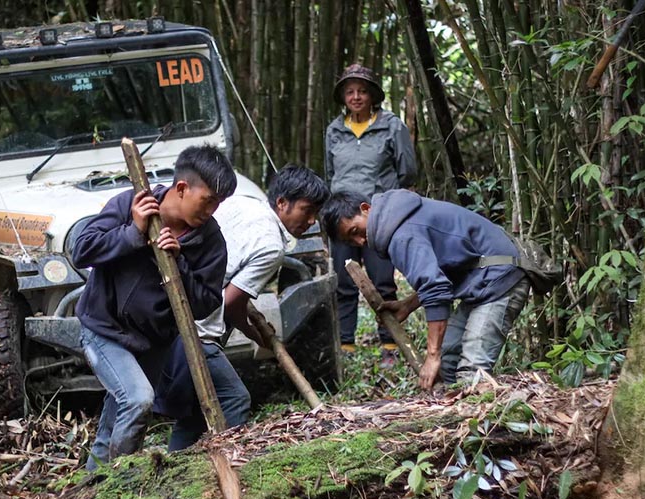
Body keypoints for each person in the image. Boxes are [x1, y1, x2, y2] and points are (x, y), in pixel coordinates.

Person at [71, 145, 235, 470]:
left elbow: (205, 303)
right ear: (183, 188)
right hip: (104, 329)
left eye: (219, 203)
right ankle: (123, 489)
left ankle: (90, 491)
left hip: (152, 343)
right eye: (209, 200)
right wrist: (132, 232)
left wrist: (179, 264)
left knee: (116, 420)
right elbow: (82, 250)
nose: (212, 210)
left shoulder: (210, 240)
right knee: (138, 399)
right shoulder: (130, 204)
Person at [155, 165, 330, 451]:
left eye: (315, 214)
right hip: (198, 329)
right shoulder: (273, 246)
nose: (311, 220)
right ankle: (225, 462)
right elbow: (232, 302)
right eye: (306, 210)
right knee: (235, 398)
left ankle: (176, 464)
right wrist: (256, 334)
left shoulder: (240, 204)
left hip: (170, 317)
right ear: (282, 203)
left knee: (194, 411)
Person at [320, 189, 530, 391]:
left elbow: (435, 290)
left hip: (499, 278)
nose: (360, 241)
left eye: (355, 231)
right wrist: (408, 305)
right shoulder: (398, 219)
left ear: (365, 209)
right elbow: (444, 271)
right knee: (449, 360)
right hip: (481, 280)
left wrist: (432, 356)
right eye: (351, 241)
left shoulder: (401, 234)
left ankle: (485, 423)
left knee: (472, 372)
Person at [324, 63, 417, 359]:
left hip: (378, 218)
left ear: (373, 95)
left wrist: (386, 201)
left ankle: (390, 343)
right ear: (343, 97)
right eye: (350, 91)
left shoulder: (391, 126)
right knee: (343, 281)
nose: (356, 97)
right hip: (342, 218)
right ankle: (346, 343)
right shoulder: (334, 130)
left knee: (382, 280)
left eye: (362, 91)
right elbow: (330, 173)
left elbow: (408, 170)